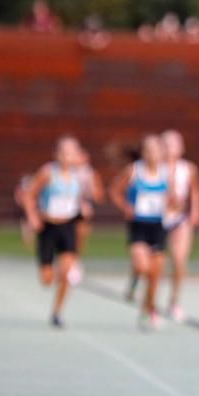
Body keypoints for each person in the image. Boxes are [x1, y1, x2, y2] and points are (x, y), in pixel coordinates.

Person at [110, 135, 176, 331]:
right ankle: (135, 281)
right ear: (142, 152)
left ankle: (147, 310)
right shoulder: (133, 171)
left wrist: (172, 205)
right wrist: (125, 207)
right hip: (139, 225)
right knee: (142, 266)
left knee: (155, 275)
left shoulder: (167, 173)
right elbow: (114, 191)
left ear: (162, 153)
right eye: (147, 150)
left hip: (158, 226)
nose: (152, 154)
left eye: (155, 150)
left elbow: (172, 198)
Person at [21, 136, 84, 328]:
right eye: (63, 152)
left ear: (77, 156)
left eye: (71, 153)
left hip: (68, 227)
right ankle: (55, 270)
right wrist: (32, 216)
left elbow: (76, 199)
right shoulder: (48, 173)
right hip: (48, 227)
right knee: (47, 279)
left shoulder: (78, 175)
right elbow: (28, 195)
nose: (67, 156)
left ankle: (57, 312)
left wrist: (83, 207)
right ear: (56, 154)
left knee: (65, 273)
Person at [161, 130, 199, 322]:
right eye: (166, 144)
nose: (170, 148)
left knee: (179, 261)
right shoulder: (155, 168)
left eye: (174, 144)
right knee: (154, 262)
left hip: (180, 220)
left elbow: (196, 192)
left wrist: (196, 210)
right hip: (156, 219)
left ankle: (174, 301)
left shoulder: (188, 168)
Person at [71, 148, 104, 285]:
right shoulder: (64, 172)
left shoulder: (90, 174)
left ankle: (74, 264)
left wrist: (91, 191)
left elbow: (99, 196)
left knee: (79, 239)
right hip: (65, 210)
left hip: (82, 212)